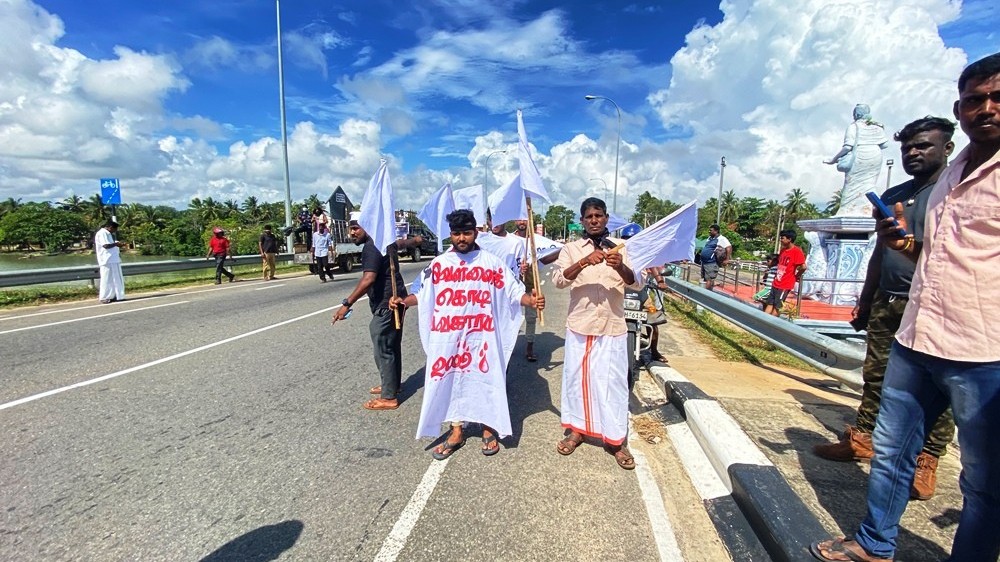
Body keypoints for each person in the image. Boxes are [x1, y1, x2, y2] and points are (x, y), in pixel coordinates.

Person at [811, 52, 1000, 562]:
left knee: (983, 481)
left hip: (983, 351)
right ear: (960, 110)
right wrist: (904, 247)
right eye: (974, 100)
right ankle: (875, 544)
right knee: (890, 453)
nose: (986, 108)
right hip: (917, 337)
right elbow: (935, 257)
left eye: (997, 98)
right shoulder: (949, 177)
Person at [813, 116, 958, 502]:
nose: (913, 153)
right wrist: (865, 299)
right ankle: (862, 438)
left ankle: (927, 458)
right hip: (888, 300)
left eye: (924, 145)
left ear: (947, 148)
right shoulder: (897, 193)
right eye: (908, 147)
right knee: (875, 375)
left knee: (938, 387)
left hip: (933, 304)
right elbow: (880, 253)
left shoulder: (953, 194)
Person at [390, 209, 544, 459]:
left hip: (481, 337)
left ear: (475, 233)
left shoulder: (491, 262)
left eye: (467, 233)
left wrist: (530, 300)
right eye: (456, 233)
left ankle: (488, 427)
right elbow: (424, 293)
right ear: (451, 235)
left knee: (485, 379)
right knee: (452, 381)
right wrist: (403, 301)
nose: (462, 238)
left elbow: (513, 292)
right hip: (449, 338)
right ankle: (456, 431)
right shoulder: (439, 264)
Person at [552, 197, 642, 470]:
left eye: (599, 216)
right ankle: (576, 431)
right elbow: (558, 281)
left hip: (612, 326)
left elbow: (637, 283)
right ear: (582, 220)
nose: (594, 220)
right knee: (577, 381)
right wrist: (583, 263)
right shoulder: (571, 248)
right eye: (589, 216)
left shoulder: (622, 248)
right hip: (580, 325)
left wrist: (620, 266)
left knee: (612, 383)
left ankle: (615, 440)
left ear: (606, 219)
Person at [332, 212, 407, 411]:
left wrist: (347, 303)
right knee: (391, 345)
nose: (352, 233)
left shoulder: (372, 246)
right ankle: (392, 385)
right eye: (351, 228)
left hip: (387, 303)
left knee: (383, 347)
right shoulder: (382, 242)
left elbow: (368, 279)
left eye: (356, 228)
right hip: (395, 299)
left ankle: (389, 397)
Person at [825, 104, 890, 217]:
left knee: (852, 184)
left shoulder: (854, 126)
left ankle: (847, 211)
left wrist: (833, 160)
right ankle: (871, 211)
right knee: (869, 184)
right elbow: (885, 144)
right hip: (875, 155)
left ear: (856, 114)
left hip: (860, 154)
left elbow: (847, 147)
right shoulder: (877, 126)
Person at [513, 219, 560, 362]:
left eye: (524, 219)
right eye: (519, 219)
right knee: (507, 317)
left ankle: (529, 347)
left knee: (531, 318)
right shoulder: (510, 240)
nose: (522, 222)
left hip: (530, 285)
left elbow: (547, 257)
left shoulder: (537, 241)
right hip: (511, 286)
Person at [762, 229, 805, 317]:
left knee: (777, 306)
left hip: (785, 284)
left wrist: (797, 276)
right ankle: (764, 321)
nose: (781, 240)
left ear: (789, 239)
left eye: (783, 238)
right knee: (770, 303)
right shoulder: (783, 251)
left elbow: (803, 267)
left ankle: (772, 324)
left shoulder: (797, 252)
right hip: (776, 282)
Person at [94, 220, 126, 304]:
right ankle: (104, 297)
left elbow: (109, 244)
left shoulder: (108, 234)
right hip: (107, 260)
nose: (114, 231)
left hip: (113, 260)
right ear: (111, 227)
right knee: (107, 279)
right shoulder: (102, 233)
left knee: (116, 279)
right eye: (114, 229)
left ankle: (115, 295)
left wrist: (116, 243)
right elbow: (105, 245)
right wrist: (116, 244)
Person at [699, 224, 731, 290]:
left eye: (711, 230)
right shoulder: (709, 238)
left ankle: (707, 295)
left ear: (716, 231)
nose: (709, 231)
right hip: (705, 262)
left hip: (711, 263)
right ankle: (705, 293)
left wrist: (727, 259)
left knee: (709, 279)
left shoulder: (721, 239)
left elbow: (729, 247)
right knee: (705, 278)